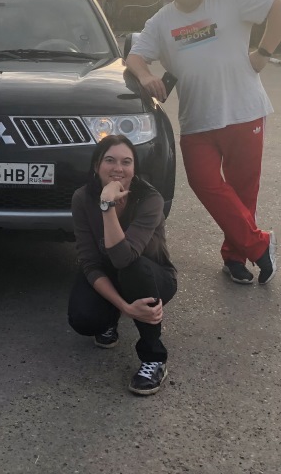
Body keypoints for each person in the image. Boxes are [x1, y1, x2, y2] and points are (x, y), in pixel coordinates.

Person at [125, 0, 281, 286]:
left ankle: (235, 258)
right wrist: (145, 76)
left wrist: (263, 53)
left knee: (243, 191)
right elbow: (135, 56)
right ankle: (260, 244)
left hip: (244, 112)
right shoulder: (161, 21)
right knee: (204, 183)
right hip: (197, 120)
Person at [68, 134, 177, 395]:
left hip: (153, 277)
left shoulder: (150, 199)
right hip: (110, 274)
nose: (118, 168)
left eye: (126, 162)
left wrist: (107, 206)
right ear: (96, 166)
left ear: (134, 169)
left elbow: (123, 258)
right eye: (110, 160)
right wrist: (125, 307)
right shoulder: (82, 198)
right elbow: (89, 263)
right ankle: (110, 319)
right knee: (83, 319)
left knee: (132, 268)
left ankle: (154, 358)